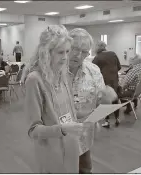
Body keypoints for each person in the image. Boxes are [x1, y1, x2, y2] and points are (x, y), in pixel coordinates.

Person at [23, 25, 89, 173]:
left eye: (67, 51)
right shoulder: (35, 80)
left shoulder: (62, 73)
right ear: (46, 52)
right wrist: (63, 129)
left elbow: (68, 113)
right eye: (60, 52)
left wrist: (90, 114)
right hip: (51, 151)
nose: (65, 57)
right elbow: (33, 130)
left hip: (71, 145)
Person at [67, 28, 106, 174]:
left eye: (84, 52)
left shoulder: (93, 70)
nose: (78, 55)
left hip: (84, 136)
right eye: (74, 49)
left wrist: (106, 100)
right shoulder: (52, 72)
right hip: (57, 137)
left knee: (85, 170)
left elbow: (100, 100)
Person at [92, 41, 121, 128]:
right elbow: (119, 67)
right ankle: (117, 118)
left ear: (97, 47)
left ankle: (107, 121)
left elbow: (92, 70)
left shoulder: (97, 57)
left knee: (105, 101)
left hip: (104, 82)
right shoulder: (113, 54)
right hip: (114, 81)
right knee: (115, 98)